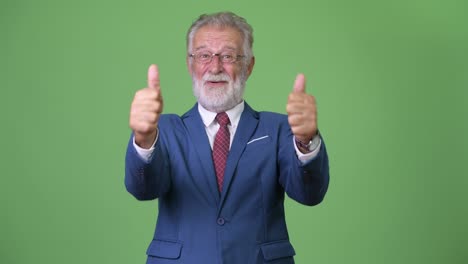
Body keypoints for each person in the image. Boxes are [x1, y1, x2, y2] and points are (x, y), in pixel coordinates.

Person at [125, 11, 329, 264]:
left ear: (249, 65)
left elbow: (309, 195)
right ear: (190, 65)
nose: (215, 67)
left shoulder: (279, 129)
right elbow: (143, 190)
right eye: (203, 56)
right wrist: (144, 139)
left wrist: (307, 141)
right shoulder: (162, 130)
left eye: (228, 56)